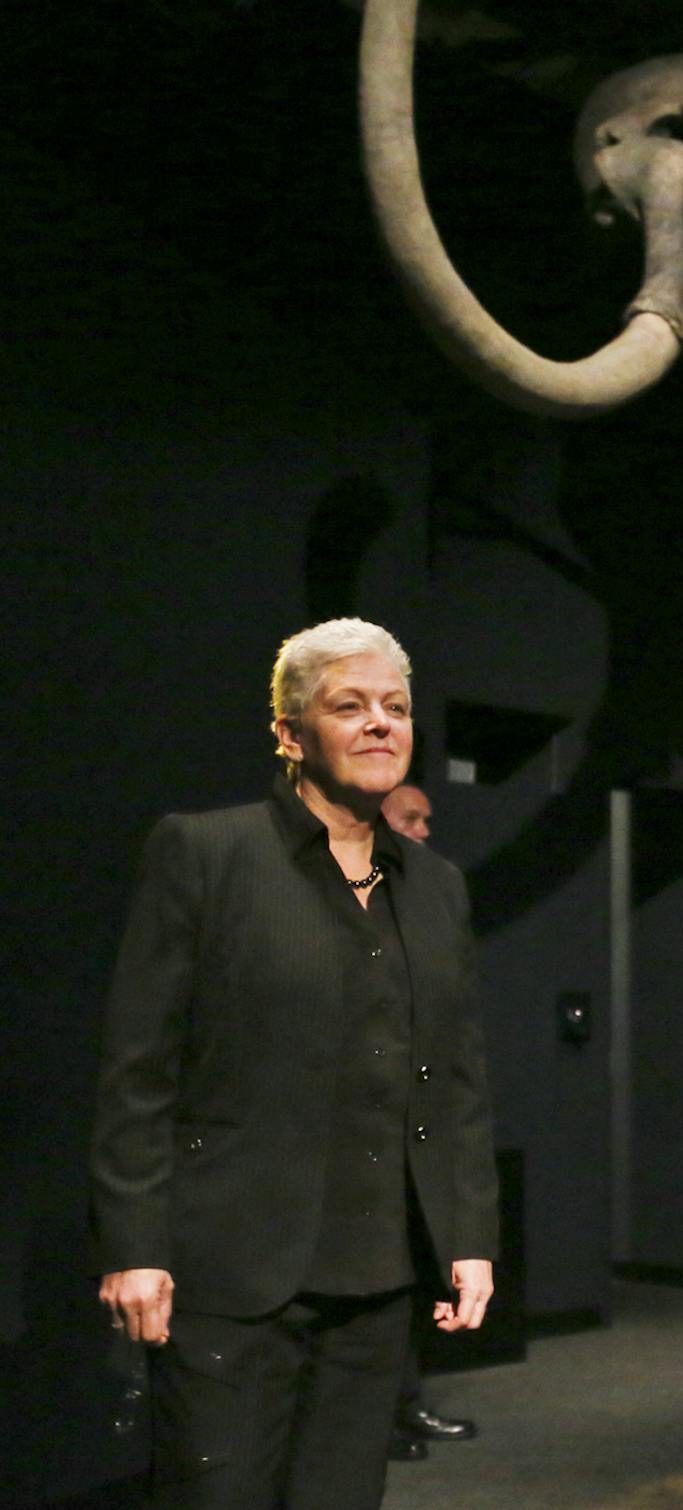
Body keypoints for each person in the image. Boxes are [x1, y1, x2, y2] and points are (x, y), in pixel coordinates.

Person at [92, 618, 498, 1509]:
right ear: (289, 733)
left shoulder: (436, 888)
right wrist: (136, 1247)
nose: (380, 723)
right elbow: (139, 1070)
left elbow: (457, 1075)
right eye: (349, 706)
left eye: (395, 707)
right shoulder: (206, 854)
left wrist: (466, 1236)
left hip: (380, 1276)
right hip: (230, 1274)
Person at [376, 781, 479, 1463]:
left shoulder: (436, 894)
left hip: (414, 1133)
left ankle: (402, 1406)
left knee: (407, 1277)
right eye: (410, 817)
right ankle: (380, 1420)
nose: (422, 829)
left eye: (428, 820)